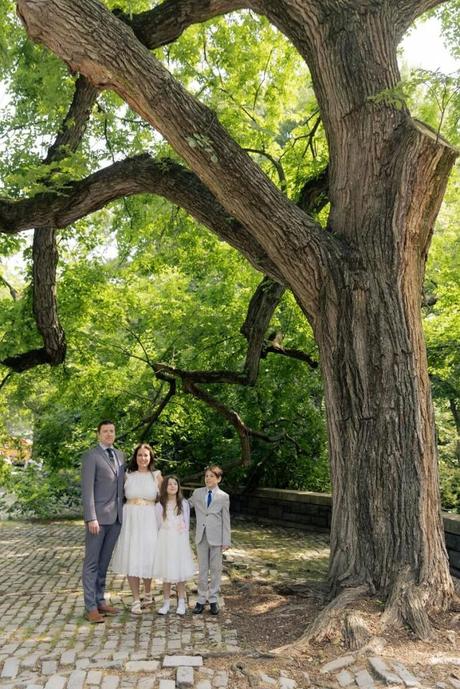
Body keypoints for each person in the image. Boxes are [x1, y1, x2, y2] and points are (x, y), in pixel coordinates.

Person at [81, 420, 125, 623]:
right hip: (97, 520)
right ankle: (90, 607)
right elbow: (87, 489)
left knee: (104, 563)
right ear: (98, 434)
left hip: (115, 518)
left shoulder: (120, 456)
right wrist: (91, 517)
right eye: (105, 431)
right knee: (91, 563)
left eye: (112, 431)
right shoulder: (92, 456)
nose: (109, 434)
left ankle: (100, 601)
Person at [111, 443, 162, 615]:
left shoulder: (156, 476)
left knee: (148, 556)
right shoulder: (127, 476)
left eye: (146, 455)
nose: (143, 458)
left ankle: (148, 594)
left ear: (151, 457)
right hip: (131, 519)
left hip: (149, 519)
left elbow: (166, 499)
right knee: (132, 556)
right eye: (140, 455)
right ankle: (135, 598)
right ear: (135, 457)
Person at [189, 465, 231, 615]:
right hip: (201, 536)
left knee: (215, 569)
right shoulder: (197, 493)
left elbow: (226, 520)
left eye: (211, 476)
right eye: (206, 476)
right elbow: (187, 505)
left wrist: (226, 540)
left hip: (217, 538)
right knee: (202, 570)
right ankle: (200, 600)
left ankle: (213, 599)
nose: (208, 478)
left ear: (218, 479)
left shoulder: (223, 496)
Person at [153, 475, 196, 616]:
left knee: (180, 573)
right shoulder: (160, 505)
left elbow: (186, 524)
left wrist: (183, 537)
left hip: (179, 541)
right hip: (165, 541)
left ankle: (181, 602)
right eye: (169, 484)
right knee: (167, 573)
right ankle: (166, 603)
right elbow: (158, 525)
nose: (172, 486)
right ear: (165, 487)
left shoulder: (183, 504)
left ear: (178, 487)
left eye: (175, 484)